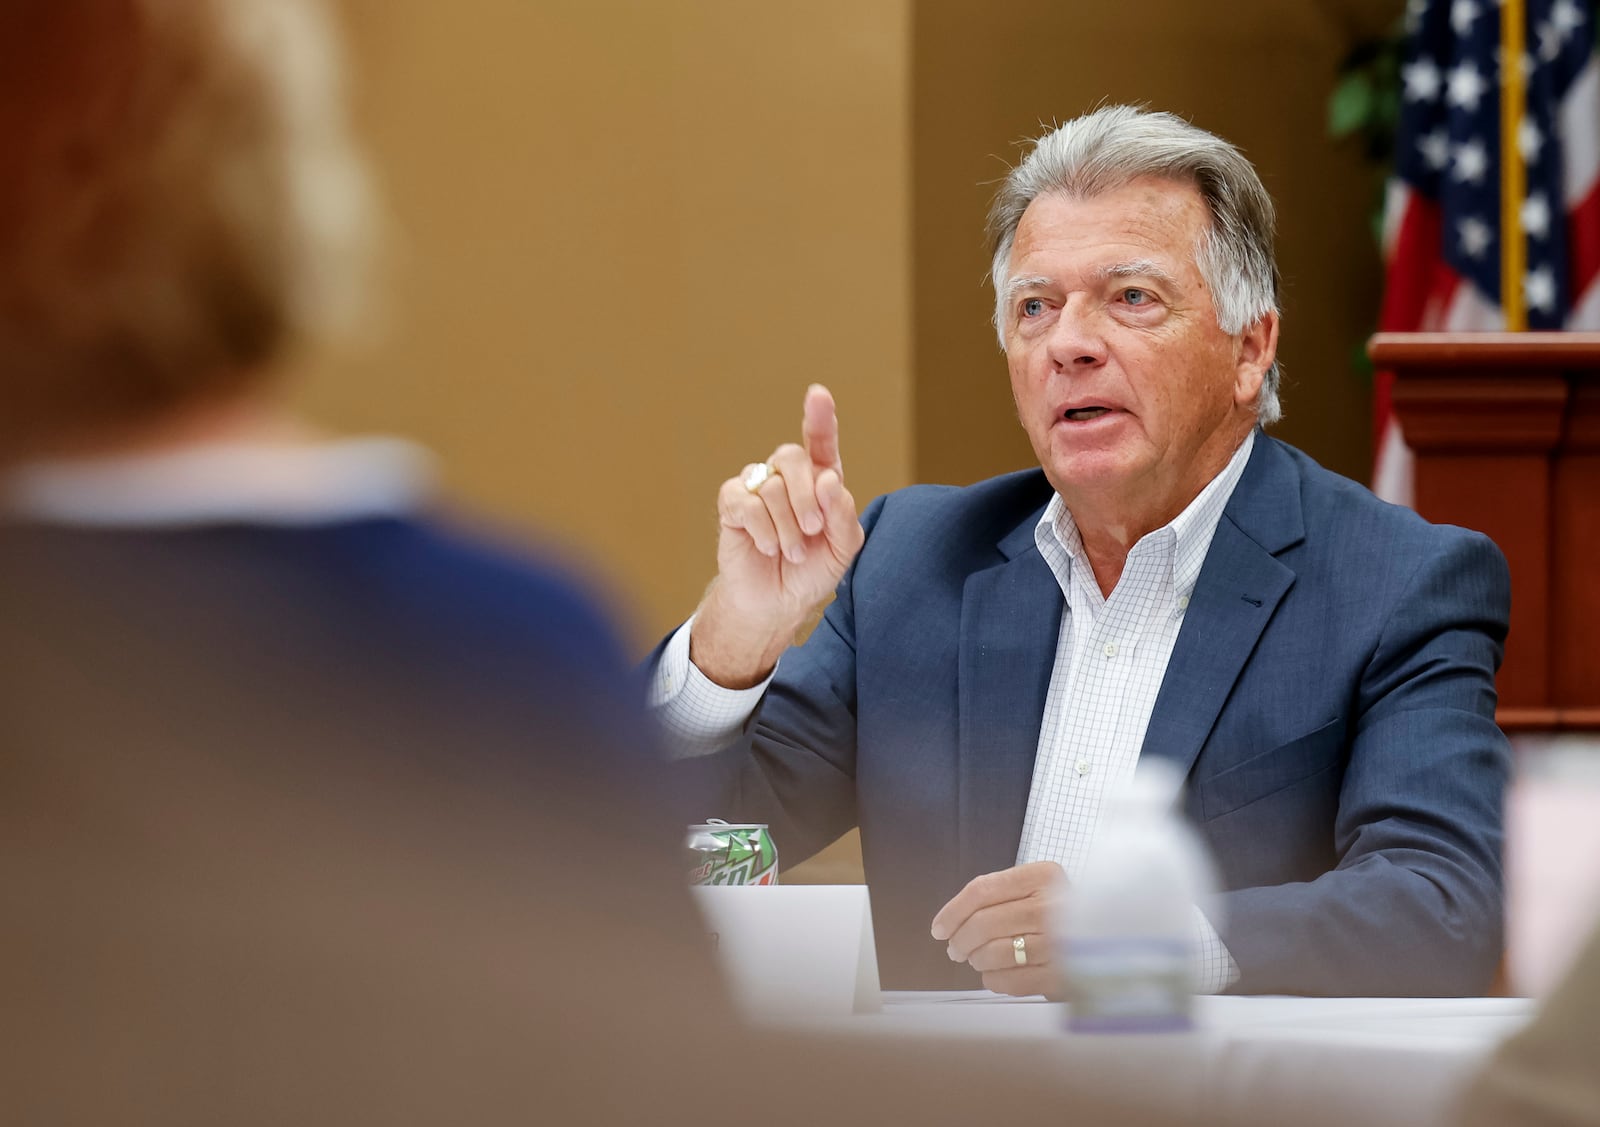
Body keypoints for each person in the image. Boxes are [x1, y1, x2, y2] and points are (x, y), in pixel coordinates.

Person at [651, 105, 1511, 996]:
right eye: (1036, 307)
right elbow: (673, 844)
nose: (1069, 344)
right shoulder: (913, 560)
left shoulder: (1396, 582)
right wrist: (734, 641)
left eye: (1131, 297)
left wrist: (1138, 939)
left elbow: (1442, 905)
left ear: (1251, 348)